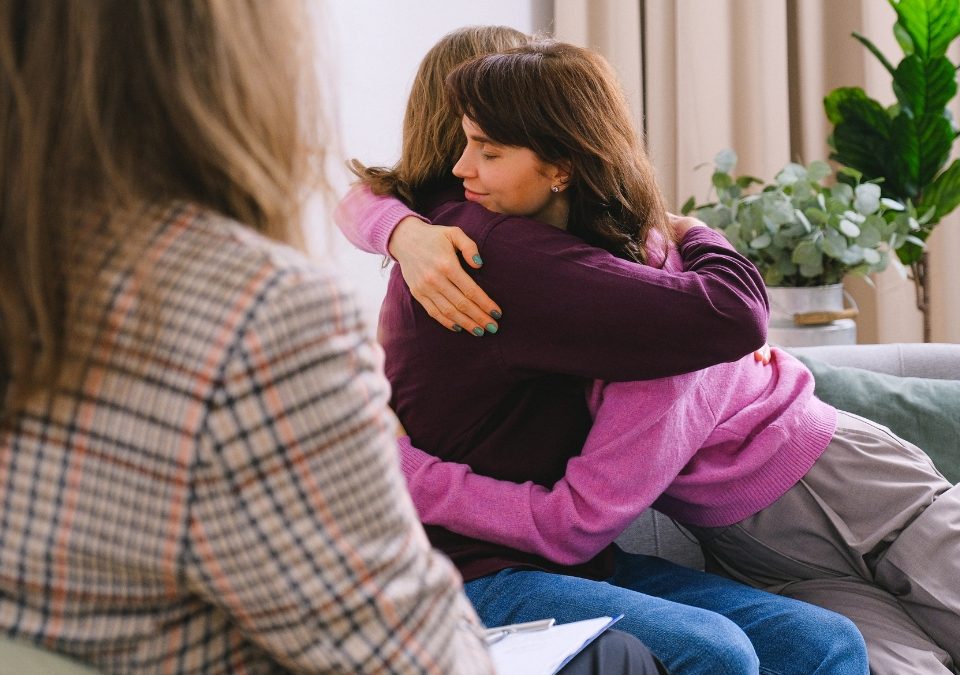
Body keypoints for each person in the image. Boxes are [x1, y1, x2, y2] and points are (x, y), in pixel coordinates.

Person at [348, 39, 960, 675]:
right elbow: (727, 315)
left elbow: (729, 314)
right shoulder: (486, 244)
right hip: (701, 544)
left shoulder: (602, 271)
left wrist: (681, 231)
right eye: (465, 140)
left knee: (820, 643)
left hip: (840, 484)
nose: (465, 166)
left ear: (563, 158)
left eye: (489, 147)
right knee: (822, 647)